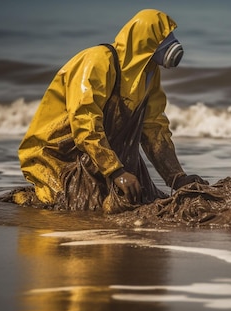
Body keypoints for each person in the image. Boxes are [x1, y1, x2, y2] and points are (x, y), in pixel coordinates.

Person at [15, 9, 207, 213]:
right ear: (142, 41)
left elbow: (154, 129)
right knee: (73, 207)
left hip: (98, 158)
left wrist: (176, 177)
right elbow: (84, 121)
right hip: (58, 156)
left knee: (138, 200)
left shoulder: (149, 74)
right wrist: (116, 171)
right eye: (163, 38)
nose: (169, 42)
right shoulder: (98, 60)